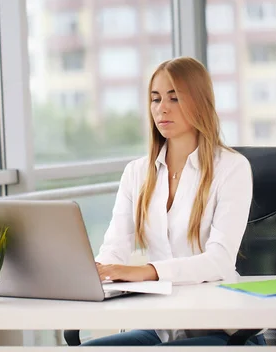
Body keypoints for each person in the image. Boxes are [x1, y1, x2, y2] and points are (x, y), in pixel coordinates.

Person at [81, 57, 265, 347]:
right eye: (155, 99)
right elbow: (115, 247)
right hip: (162, 331)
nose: (161, 108)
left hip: (224, 333)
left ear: (199, 102)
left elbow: (219, 260)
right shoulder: (136, 173)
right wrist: (98, 272)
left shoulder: (232, 168)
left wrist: (148, 271)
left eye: (174, 97)